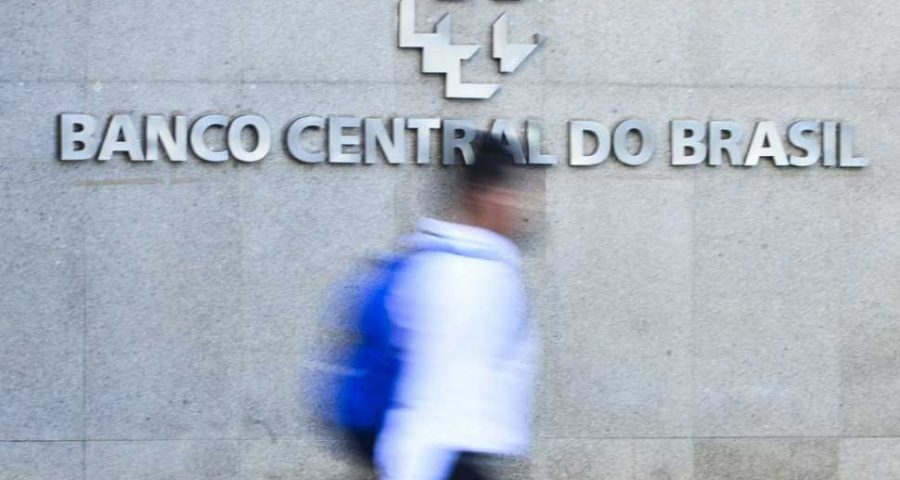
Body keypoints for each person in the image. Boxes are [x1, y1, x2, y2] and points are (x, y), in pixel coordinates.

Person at [370, 133, 537, 480]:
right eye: (518, 194)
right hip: (442, 460)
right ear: (487, 196)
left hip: (460, 455)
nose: (526, 210)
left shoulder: (483, 264)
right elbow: (430, 395)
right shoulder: (461, 273)